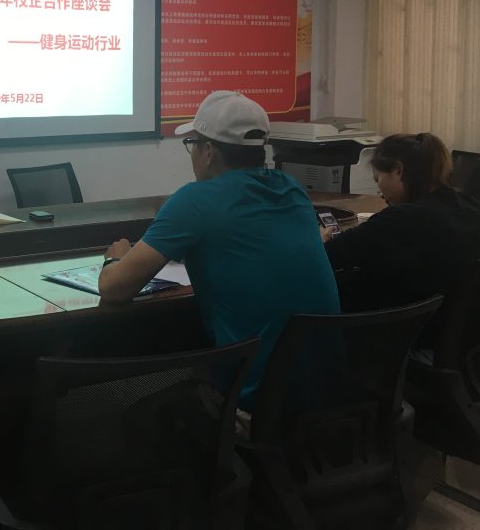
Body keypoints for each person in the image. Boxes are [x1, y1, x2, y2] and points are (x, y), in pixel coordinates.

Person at [98, 91, 340, 410]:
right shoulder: (291, 188)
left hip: (252, 403)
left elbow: (114, 289)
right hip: (325, 393)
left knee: (135, 415)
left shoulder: (196, 200)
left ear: (209, 151)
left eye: (192, 144)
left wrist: (116, 259)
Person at [322, 132, 480, 316]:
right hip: (479, 324)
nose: (379, 192)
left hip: (415, 327)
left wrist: (321, 239)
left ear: (398, 170)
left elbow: (326, 257)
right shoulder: (475, 208)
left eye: (378, 179)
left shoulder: (399, 219)